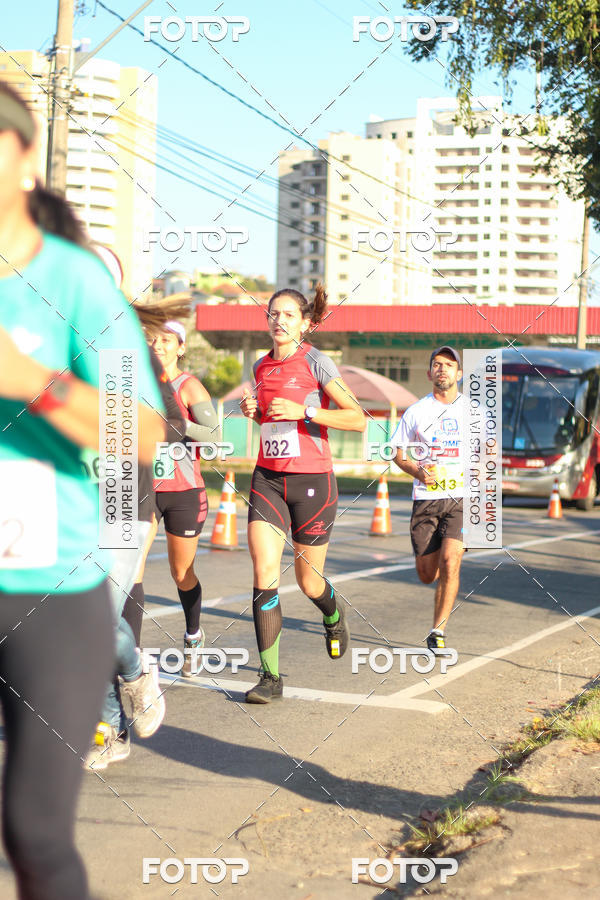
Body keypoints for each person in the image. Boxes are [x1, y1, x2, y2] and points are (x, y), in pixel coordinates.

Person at [0, 84, 165, 900]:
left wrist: (30, 378)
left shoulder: (77, 283)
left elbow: (140, 432)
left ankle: (128, 668)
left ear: (25, 159)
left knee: (33, 830)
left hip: (49, 581)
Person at [239, 284, 365, 703]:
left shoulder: (316, 362)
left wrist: (306, 411)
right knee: (264, 573)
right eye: (273, 314)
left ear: (306, 323)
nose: (279, 321)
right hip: (268, 479)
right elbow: (271, 427)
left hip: (312, 482)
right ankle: (270, 678)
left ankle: (332, 612)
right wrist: (253, 413)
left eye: (289, 315)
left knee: (308, 581)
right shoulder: (260, 368)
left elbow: (357, 419)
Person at [135, 315, 219, 676]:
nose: (159, 344)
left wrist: (176, 424)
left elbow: (214, 435)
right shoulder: (134, 383)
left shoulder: (189, 387)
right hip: (141, 488)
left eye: (168, 339)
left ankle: (193, 634)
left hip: (183, 491)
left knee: (181, 571)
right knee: (129, 568)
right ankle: (131, 655)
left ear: (180, 348)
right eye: (154, 338)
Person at [390, 346, 465, 651]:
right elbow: (396, 451)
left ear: (459, 373)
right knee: (427, 573)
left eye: (449, 364)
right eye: (437, 364)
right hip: (426, 498)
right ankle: (436, 583)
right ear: (429, 373)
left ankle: (438, 630)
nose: (442, 369)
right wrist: (417, 471)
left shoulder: (473, 411)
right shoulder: (417, 411)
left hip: (461, 498)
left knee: (451, 562)